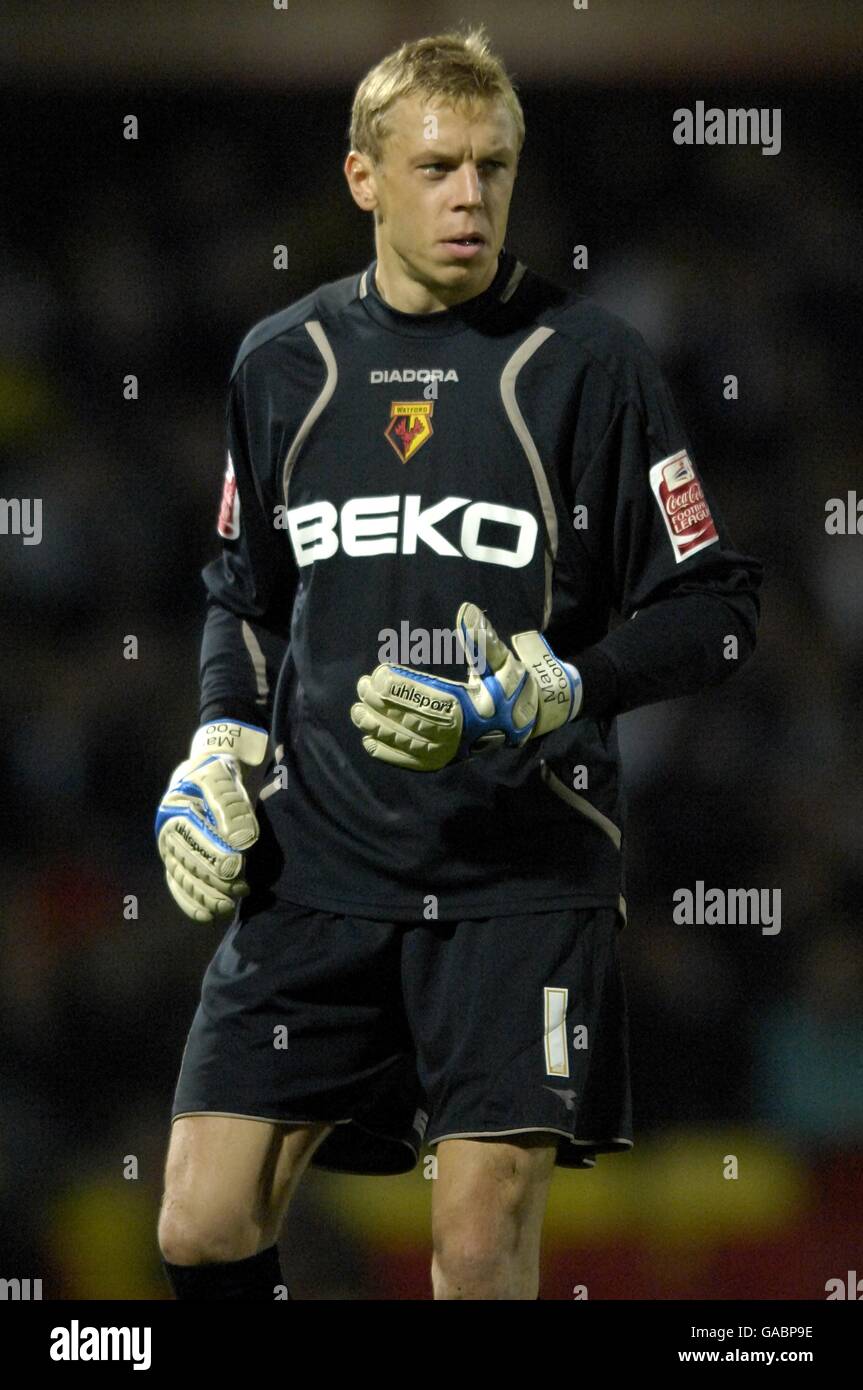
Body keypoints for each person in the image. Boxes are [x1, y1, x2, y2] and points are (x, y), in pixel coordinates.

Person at [154, 25, 763, 1301]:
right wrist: (217, 736)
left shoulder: (587, 366)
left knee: (477, 1248)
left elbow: (714, 607)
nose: (469, 196)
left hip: (517, 865)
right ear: (362, 178)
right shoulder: (282, 365)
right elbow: (240, 597)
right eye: (435, 166)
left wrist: (548, 686)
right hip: (317, 858)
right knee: (202, 1224)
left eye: (492, 167)